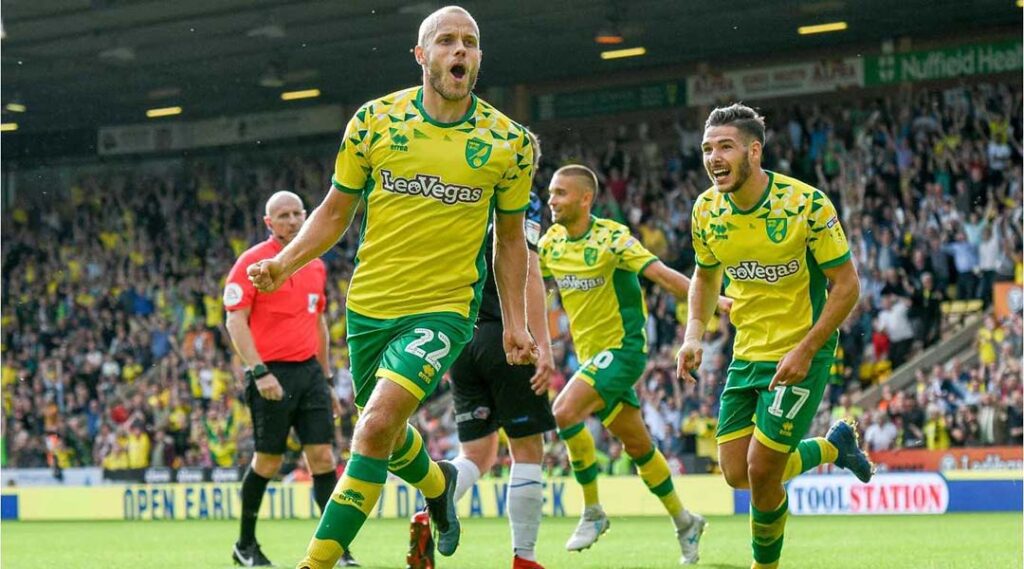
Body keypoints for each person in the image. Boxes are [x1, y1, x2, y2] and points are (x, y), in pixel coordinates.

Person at [247, 6, 537, 568]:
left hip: (444, 309)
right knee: (385, 429)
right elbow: (334, 212)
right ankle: (439, 485)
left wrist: (516, 323)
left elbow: (509, 240)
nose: (460, 50)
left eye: (470, 41)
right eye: (446, 40)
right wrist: (283, 263)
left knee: (376, 425)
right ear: (421, 55)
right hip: (370, 308)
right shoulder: (374, 121)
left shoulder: (510, 142)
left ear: (479, 57)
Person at [678, 103, 873, 569]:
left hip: (801, 350)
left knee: (763, 469)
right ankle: (833, 447)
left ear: (754, 151)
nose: (713, 158)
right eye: (707, 148)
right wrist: (693, 335)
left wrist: (807, 349)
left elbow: (847, 286)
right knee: (736, 473)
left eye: (725, 147)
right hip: (747, 352)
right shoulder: (706, 210)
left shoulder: (806, 205)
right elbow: (705, 276)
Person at [539, 164, 725, 565]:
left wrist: (716, 302)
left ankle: (592, 510)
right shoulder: (551, 244)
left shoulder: (612, 239)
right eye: (551, 193)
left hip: (623, 351)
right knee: (639, 447)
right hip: (592, 360)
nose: (551, 200)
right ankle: (685, 521)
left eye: (560, 193)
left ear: (585, 199)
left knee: (564, 411)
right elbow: (528, 283)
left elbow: (662, 275)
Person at [419, 136, 555, 569]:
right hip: (506, 337)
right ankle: (524, 558)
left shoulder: (465, 196)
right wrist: (542, 343)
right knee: (527, 450)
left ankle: (429, 511)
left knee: (477, 455)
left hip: (462, 341)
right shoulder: (523, 201)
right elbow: (528, 270)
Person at [224, 191, 356, 567]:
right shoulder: (251, 263)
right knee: (267, 461)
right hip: (271, 372)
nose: (293, 221)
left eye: (298, 213)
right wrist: (259, 371)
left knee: (323, 458)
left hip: (309, 373)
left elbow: (318, 324)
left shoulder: (314, 264)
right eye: (283, 215)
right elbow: (235, 320)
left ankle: (335, 548)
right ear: (269, 223)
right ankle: (245, 545)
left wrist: (327, 380)